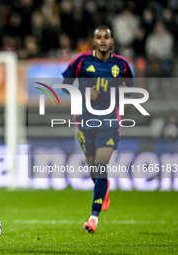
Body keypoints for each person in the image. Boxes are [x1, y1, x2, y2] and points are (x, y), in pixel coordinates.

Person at [62, 25, 133, 234]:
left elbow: (130, 90)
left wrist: (124, 92)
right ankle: (104, 187)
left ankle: (93, 217)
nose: (103, 40)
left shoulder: (122, 65)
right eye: (99, 37)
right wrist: (82, 95)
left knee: (101, 165)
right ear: (94, 42)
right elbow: (65, 85)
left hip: (109, 122)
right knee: (95, 170)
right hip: (85, 121)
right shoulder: (82, 61)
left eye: (106, 37)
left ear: (112, 41)